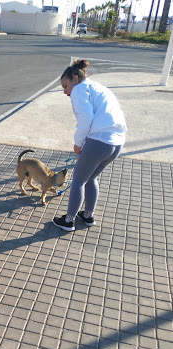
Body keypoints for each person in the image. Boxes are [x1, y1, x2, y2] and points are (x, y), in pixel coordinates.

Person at [53, 59, 127, 231]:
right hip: (117, 142)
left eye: (65, 86)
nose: (65, 92)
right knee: (91, 178)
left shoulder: (79, 89)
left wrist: (78, 144)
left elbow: (85, 119)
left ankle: (69, 221)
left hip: (99, 141)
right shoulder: (99, 87)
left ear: (75, 79)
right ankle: (87, 216)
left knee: (78, 180)